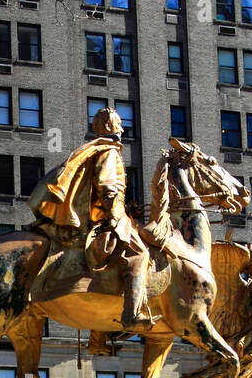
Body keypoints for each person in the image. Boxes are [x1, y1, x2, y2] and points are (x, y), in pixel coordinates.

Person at [29, 107, 161, 339]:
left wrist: (129, 209)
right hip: (107, 218)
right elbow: (106, 186)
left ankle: (99, 337)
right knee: (140, 254)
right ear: (112, 127)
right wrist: (116, 214)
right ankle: (132, 314)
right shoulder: (109, 151)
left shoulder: (97, 148)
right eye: (119, 124)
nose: (121, 129)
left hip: (111, 213)